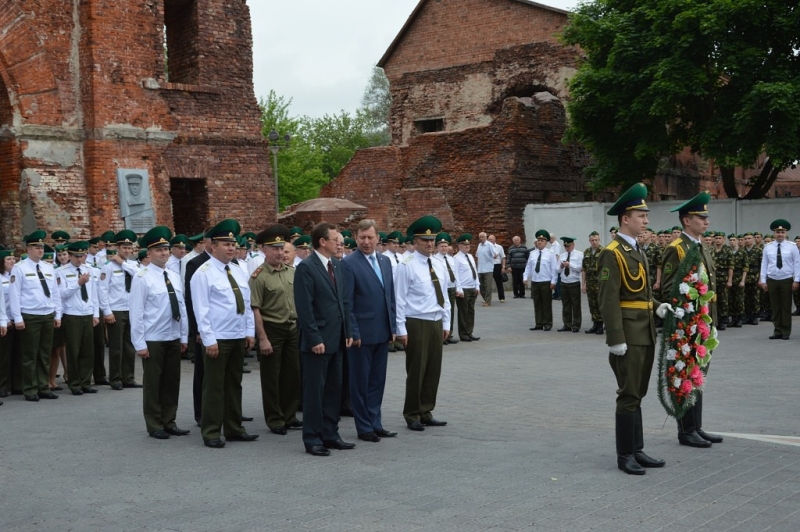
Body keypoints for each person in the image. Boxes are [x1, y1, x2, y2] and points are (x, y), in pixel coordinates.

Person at [598, 183, 666, 475]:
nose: (647, 221)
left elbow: (641, 295)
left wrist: (657, 306)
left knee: (638, 393)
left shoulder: (637, 249)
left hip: (645, 331)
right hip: (627, 335)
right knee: (628, 394)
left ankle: (637, 449)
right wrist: (615, 338)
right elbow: (608, 298)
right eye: (642, 215)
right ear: (626, 218)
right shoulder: (611, 253)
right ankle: (625, 454)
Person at [660, 191, 722, 449]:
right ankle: (685, 431)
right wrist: (687, 318)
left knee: (698, 373)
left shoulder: (699, 246)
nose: (706, 222)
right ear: (687, 220)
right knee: (684, 374)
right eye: (701, 217)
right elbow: (667, 288)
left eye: (706, 218)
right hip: (687, 325)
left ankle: (696, 426)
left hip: (704, 323)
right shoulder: (677, 249)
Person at [191, 219, 257, 448]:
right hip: (218, 337)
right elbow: (201, 310)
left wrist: (249, 332)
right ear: (212, 246)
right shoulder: (204, 273)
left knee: (233, 384)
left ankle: (234, 428)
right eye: (225, 243)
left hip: (237, 335)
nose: (231, 248)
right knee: (214, 386)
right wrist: (209, 339)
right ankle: (210, 431)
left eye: (233, 243)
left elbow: (246, 304)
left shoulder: (238, 270)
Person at [294, 222, 354, 456]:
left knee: (333, 390)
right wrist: (314, 338)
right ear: (322, 241)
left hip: (337, 339)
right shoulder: (306, 268)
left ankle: (330, 433)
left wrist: (348, 331)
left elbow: (343, 302)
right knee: (314, 392)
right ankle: (312, 438)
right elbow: (305, 308)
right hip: (317, 342)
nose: (339, 242)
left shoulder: (337, 266)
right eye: (335, 239)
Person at [129, 226, 190, 439]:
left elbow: (181, 308)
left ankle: (169, 420)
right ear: (149, 253)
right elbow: (136, 312)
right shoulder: (142, 277)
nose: (164, 253)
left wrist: (183, 336)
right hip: (153, 338)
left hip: (172, 336)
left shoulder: (173, 275)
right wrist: (139, 343)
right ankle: (154, 424)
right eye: (159, 250)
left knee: (172, 382)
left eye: (166, 249)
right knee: (154, 383)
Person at [341, 220, 398, 442]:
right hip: (361, 335)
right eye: (362, 237)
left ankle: (376, 422)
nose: (366, 241)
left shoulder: (385, 261)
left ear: (377, 239)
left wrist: (392, 326)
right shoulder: (349, 263)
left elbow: (390, 297)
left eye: (370, 237)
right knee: (360, 382)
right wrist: (353, 332)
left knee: (377, 381)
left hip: (382, 331)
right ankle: (364, 426)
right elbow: (348, 302)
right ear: (356, 238)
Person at [395, 216, 450, 432]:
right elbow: (399, 299)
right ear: (415, 241)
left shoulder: (439, 263)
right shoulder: (406, 265)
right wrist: (400, 329)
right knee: (416, 370)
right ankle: (412, 413)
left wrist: (446, 323)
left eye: (432, 240)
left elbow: (444, 295)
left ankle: (426, 410)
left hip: (435, 320)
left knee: (432, 370)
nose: (429, 244)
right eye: (424, 240)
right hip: (416, 321)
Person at [249, 225, 302, 436]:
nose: (280, 252)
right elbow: (255, 309)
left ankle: (289, 415)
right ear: (264, 250)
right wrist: (262, 338)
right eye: (275, 248)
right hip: (272, 330)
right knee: (272, 377)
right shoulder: (259, 276)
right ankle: (275, 419)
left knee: (292, 375)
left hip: (292, 328)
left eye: (282, 248)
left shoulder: (292, 272)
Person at [9, 230, 63, 401]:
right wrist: (17, 318)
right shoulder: (19, 268)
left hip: (47, 314)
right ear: (28, 249)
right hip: (30, 315)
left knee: (44, 353)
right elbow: (14, 295)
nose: (40, 250)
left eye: (41, 247)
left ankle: (43, 387)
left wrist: (57, 314)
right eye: (36, 247)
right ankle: (30, 389)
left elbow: (55, 293)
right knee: (30, 355)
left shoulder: (48, 268)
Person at [56, 241, 100, 395]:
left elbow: (94, 293)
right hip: (72, 314)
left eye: (82, 256)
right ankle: (74, 383)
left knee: (88, 350)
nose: (79, 259)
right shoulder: (61, 271)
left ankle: (85, 382)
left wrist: (96, 314)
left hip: (87, 313)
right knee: (74, 350)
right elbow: (61, 294)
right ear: (70, 255)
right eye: (76, 256)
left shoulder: (90, 270)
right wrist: (78, 283)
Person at [100, 230, 142, 390]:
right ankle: (116, 378)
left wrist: (122, 263)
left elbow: (139, 277)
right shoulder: (108, 267)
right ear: (118, 247)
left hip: (131, 309)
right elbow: (103, 290)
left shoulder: (133, 265)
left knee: (130, 347)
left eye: (129, 247)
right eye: (124, 247)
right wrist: (107, 311)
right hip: (116, 310)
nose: (127, 250)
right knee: (116, 348)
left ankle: (128, 378)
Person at [759, 219, 800, 340]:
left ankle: (786, 331)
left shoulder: (792, 247)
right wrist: (763, 280)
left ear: (786, 233)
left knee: (786, 306)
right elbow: (764, 264)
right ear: (774, 233)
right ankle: (777, 330)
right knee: (775, 306)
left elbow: (797, 264)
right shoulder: (768, 247)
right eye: (777, 232)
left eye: (782, 232)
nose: (780, 234)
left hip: (786, 280)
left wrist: (796, 280)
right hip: (772, 279)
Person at [523, 230, 558, 331]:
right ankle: (539, 323)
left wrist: (553, 281)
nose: (539, 242)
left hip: (546, 281)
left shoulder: (550, 254)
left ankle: (547, 323)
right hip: (535, 281)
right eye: (538, 240)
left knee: (546, 304)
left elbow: (554, 269)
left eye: (542, 240)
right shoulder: (532, 253)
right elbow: (528, 267)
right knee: (537, 303)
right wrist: (525, 277)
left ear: (546, 242)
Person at [435, 233, 462, 345]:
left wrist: (459, 288)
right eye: (441, 246)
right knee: (441, 311)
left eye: (445, 246)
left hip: (451, 288)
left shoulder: (452, 259)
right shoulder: (434, 259)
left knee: (450, 311)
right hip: (441, 290)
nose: (444, 248)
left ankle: (449, 333)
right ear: (437, 247)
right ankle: (441, 336)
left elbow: (456, 274)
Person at [453, 234, 480, 342]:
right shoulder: (456, 258)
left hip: (472, 287)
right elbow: (456, 275)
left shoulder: (470, 256)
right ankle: (463, 334)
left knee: (471, 311)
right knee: (463, 312)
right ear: (459, 245)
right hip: (463, 288)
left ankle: (469, 332)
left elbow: (475, 271)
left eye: (468, 244)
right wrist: (459, 289)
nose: (467, 246)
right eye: (464, 244)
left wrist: (477, 285)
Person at [556, 237, 583, 333]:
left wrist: (570, 265)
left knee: (575, 305)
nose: (567, 248)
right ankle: (567, 324)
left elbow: (580, 269)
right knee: (566, 305)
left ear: (573, 245)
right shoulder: (562, 255)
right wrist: (561, 266)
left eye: (568, 246)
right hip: (564, 282)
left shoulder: (579, 255)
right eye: (565, 246)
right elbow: (557, 270)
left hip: (573, 282)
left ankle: (576, 324)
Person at [581, 231, 604, 334]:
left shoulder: (604, 251)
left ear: (599, 240)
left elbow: (606, 269)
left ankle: (600, 325)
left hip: (599, 282)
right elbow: (584, 269)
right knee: (592, 304)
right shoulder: (587, 252)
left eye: (596, 240)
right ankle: (595, 323)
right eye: (592, 240)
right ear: (589, 241)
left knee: (600, 304)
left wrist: (603, 283)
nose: (594, 242)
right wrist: (583, 284)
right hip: (590, 282)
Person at [711, 231, 732, 331]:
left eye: (720, 238)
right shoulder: (711, 250)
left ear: (723, 240)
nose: (718, 240)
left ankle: (723, 320)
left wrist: (729, 280)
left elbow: (730, 267)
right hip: (713, 279)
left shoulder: (727, 251)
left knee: (723, 300)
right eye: (716, 238)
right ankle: (715, 320)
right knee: (714, 300)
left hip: (723, 278)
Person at [742, 232, 762, 325]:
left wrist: (761, 279)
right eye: (745, 239)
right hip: (745, 277)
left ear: (753, 239)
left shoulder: (758, 250)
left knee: (755, 297)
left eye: (749, 238)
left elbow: (762, 265)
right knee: (746, 297)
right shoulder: (742, 250)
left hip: (755, 276)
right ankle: (747, 315)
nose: (747, 240)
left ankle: (755, 316)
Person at [475, 232, 494, 306]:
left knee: (488, 286)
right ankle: (485, 299)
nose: (481, 238)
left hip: (488, 268)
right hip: (480, 269)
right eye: (480, 237)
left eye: (483, 237)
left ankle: (488, 301)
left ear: (486, 237)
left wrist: (494, 255)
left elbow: (494, 253)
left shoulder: (489, 245)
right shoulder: (479, 245)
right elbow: (477, 256)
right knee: (480, 285)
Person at [488, 235, 506, 303]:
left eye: (491, 239)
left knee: (499, 282)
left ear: (495, 239)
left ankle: (501, 297)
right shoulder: (486, 247)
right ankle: (487, 298)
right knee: (487, 283)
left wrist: (503, 267)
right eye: (489, 239)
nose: (490, 240)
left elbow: (503, 257)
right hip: (488, 266)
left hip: (497, 265)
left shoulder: (499, 247)